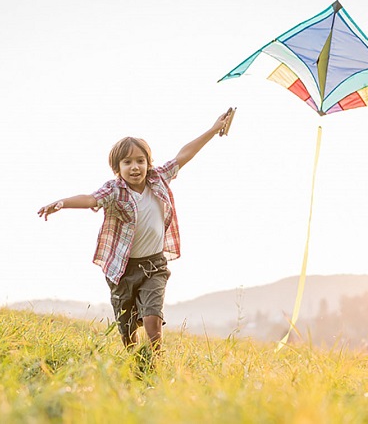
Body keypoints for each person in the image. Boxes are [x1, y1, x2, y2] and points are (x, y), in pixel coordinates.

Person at [37, 109, 233, 353]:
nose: (135, 167)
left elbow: (184, 155)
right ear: (117, 168)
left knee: (152, 317)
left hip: (154, 266)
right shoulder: (114, 190)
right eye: (127, 162)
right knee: (127, 328)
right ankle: (135, 362)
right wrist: (62, 203)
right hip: (122, 270)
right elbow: (89, 199)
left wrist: (214, 129)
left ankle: (155, 361)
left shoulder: (158, 178)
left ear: (148, 163)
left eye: (140, 161)